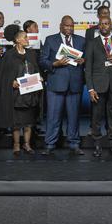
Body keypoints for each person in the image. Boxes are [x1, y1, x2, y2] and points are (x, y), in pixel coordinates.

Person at [39, 15, 86, 155]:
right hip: (56, 84)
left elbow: (88, 58)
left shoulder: (81, 40)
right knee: (53, 117)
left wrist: (84, 60)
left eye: (72, 26)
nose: (69, 28)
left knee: (74, 116)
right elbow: (42, 60)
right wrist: (55, 64)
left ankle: (74, 143)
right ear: (60, 26)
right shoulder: (50, 40)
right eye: (66, 26)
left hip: (75, 84)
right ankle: (50, 144)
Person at [0, 26, 42, 154]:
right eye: (25, 37)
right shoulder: (9, 55)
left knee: (28, 122)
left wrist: (40, 78)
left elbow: (37, 70)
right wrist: (11, 82)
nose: (28, 39)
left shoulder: (32, 54)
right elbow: (3, 74)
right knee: (16, 123)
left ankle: (27, 145)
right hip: (16, 95)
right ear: (18, 40)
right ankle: (16, 145)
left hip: (30, 94)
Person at [84, 16, 112, 157]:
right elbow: (88, 67)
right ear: (98, 26)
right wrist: (90, 88)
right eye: (101, 24)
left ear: (111, 25)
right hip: (98, 86)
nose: (104, 26)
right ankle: (97, 146)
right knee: (96, 117)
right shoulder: (92, 43)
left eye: (107, 24)